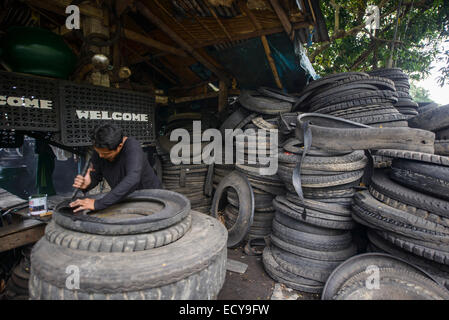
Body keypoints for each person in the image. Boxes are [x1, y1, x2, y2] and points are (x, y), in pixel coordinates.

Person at [69, 124, 162, 212]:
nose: (100, 156)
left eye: (106, 154)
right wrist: (88, 183)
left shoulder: (132, 147)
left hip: (150, 196)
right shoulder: (100, 150)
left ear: (119, 146)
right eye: (98, 152)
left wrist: (98, 204)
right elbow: (96, 176)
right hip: (124, 198)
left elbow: (133, 178)